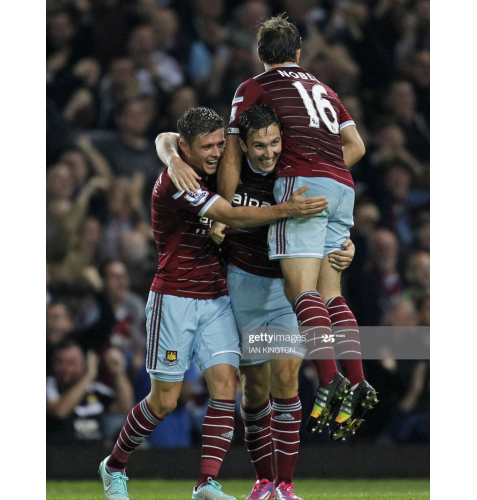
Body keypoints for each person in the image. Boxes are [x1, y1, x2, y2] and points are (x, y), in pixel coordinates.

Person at [98, 106, 328, 500]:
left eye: (221, 143)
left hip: (217, 298)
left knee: (226, 387)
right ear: (186, 148)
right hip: (174, 299)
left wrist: (169, 149)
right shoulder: (178, 180)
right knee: (163, 401)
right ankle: (114, 466)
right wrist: (287, 210)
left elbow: (165, 139)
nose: (217, 153)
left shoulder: (203, 166)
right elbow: (228, 214)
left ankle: (206, 484)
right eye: (207, 146)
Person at [171, 15, 378, 443]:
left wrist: (220, 212)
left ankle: (329, 380)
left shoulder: (253, 88)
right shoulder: (324, 88)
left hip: (303, 189)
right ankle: (358, 381)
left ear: (259, 55)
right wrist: (328, 172)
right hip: (343, 186)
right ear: (299, 54)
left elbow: (230, 158)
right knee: (331, 292)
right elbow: (356, 146)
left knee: (301, 292)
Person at [157, 105, 355, 500]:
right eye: (259, 145)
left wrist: (347, 247)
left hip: (283, 291)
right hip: (240, 290)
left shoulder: (294, 172)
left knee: (286, 379)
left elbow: (332, 216)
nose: (268, 152)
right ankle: (263, 481)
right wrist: (173, 156)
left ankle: (285, 485)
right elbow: (165, 138)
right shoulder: (229, 173)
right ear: (242, 145)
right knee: (254, 391)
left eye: (274, 143)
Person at [47, 340, 134, 445]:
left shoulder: (95, 390)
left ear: (83, 365)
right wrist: (89, 376)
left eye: (71, 363)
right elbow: (60, 412)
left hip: (95, 455)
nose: (66, 368)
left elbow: (124, 407)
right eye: (60, 362)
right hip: (60, 455)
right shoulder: (49, 386)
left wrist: (119, 374)